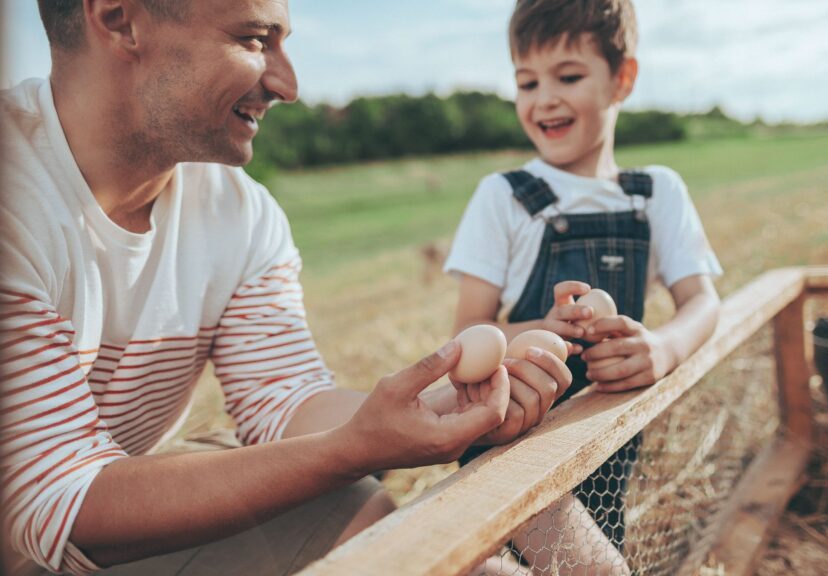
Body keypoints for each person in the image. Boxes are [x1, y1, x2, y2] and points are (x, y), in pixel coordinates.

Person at [0, 1, 572, 575]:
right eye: (254, 40)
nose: (288, 84)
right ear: (121, 20)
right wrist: (355, 448)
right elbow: (59, 501)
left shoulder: (241, 212)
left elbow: (283, 398)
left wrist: (443, 405)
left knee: (350, 507)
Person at [444, 0, 723, 572]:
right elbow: (465, 337)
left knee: (602, 547)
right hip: (511, 448)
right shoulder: (505, 196)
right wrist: (538, 331)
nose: (543, 97)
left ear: (622, 78)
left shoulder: (656, 194)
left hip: (605, 436)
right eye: (527, 82)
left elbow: (702, 300)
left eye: (568, 76)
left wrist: (664, 347)